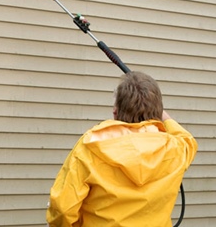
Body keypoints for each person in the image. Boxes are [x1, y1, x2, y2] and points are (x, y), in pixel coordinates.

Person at [46, 71, 198, 227]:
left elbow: (63, 210)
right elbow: (186, 137)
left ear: (115, 111)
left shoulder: (90, 146)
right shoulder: (177, 149)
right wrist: (160, 113)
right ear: (158, 112)